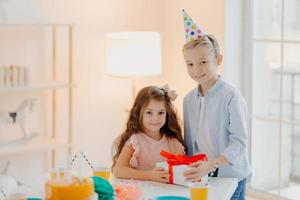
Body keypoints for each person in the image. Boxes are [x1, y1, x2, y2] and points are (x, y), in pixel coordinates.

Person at [181, 10, 251, 200]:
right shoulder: (188, 100)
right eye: (190, 64)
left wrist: (212, 164)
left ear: (218, 60)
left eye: (203, 62)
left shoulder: (231, 96)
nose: (196, 70)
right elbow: (189, 143)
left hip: (231, 175)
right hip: (203, 174)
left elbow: (239, 142)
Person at [112, 85, 185, 183]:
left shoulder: (173, 143)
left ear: (167, 114)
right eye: (149, 112)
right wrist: (150, 175)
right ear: (138, 113)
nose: (155, 119)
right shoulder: (135, 141)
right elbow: (118, 170)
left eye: (161, 113)